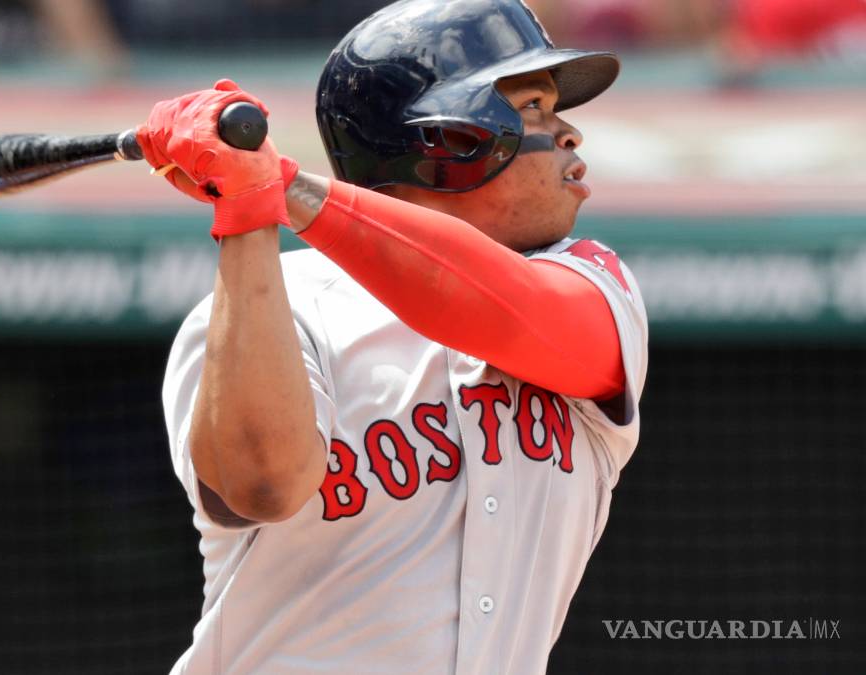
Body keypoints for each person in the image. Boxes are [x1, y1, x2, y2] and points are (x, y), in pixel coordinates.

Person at [144, 0, 648, 672]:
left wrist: (275, 186)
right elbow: (264, 484)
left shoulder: (593, 282)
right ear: (448, 141)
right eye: (532, 108)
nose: (568, 134)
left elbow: (503, 308)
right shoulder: (276, 304)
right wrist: (246, 213)